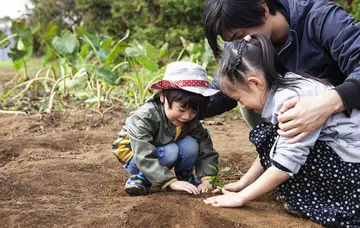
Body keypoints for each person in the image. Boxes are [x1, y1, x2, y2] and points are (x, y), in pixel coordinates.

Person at [203, 33, 360, 227]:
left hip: (352, 169)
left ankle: (329, 202)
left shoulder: (288, 101)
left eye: (238, 99)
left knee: (280, 151)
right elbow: (274, 148)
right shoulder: (284, 85)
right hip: (345, 155)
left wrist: (241, 197)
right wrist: (242, 183)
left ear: (255, 83)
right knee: (270, 135)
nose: (241, 106)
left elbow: (286, 162)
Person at [202, 0, 360, 144]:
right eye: (231, 41)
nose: (238, 46)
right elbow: (221, 93)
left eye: (239, 36)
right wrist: (185, 102)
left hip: (344, 124)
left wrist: (325, 104)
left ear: (263, 10)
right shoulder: (243, 43)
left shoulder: (321, 19)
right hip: (293, 128)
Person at [112, 61, 219, 196]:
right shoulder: (145, 117)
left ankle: (185, 177)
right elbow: (143, 153)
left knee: (190, 144)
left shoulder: (191, 121)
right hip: (134, 155)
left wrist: (207, 179)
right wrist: (170, 181)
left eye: (194, 111)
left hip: (161, 147)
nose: (187, 116)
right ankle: (141, 178)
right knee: (171, 150)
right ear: (163, 97)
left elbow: (206, 149)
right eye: (181, 109)